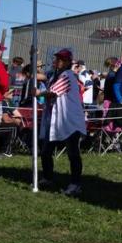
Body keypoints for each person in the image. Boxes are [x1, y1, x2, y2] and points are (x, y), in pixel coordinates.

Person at [39, 49, 85, 195]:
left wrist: (39, 93)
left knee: (72, 153)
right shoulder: (55, 75)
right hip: (56, 119)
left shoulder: (68, 75)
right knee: (46, 150)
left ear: (66, 62)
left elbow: (53, 91)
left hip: (69, 120)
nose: (56, 61)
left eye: (60, 59)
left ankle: (75, 183)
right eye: (57, 59)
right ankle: (47, 177)